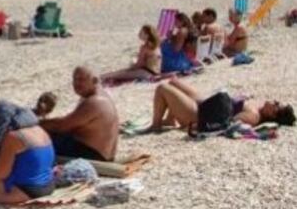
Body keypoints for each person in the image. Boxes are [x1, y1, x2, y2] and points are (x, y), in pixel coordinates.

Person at [148, 78, 295, 132]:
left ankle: (155, 126)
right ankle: (169, 120)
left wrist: (196, 127)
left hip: (198, 114)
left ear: (272, 114)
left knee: (162, 88)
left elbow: (228, 124)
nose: (274, 101)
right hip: (208, 104)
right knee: (174, 81)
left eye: (276, 104)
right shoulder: (257, 108)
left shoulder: (253, 116)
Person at [40, 67, 119, 162]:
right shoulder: (101, 96)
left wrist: (37, 123)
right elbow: (72, 121)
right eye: (74, 79)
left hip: (93, 155)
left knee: (38, 137)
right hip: (103, 154)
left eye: (81, 79)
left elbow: (62, 126)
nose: (76, 84)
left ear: (94, 80)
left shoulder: (94, 102)